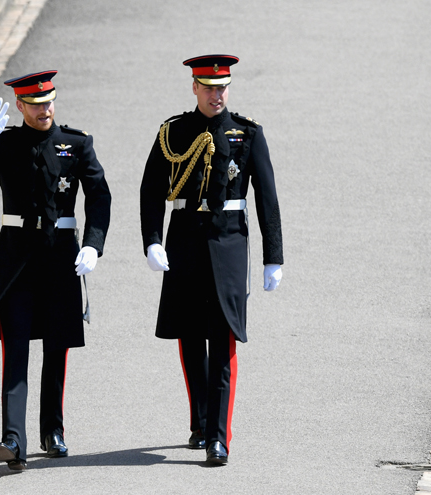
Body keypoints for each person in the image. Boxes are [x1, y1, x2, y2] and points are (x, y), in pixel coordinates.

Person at [0, 70, 111, 470]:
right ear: (21, 106)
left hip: (60, 256)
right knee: (17, 351)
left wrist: (94, 245)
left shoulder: (76, 144)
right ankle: (13, 438)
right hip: (16, 259)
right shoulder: (6, 143)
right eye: (35, 104)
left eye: (49, 102)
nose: (44, 110)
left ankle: (52, 430)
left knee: (56, 348)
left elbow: (99, 195)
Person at [140, 54, 283, 465]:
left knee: (223, 338)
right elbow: (152, 188)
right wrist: (152, 240)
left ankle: (218, 437)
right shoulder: (174, 132)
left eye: (222, 88)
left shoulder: (246, 133)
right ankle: (200, 420)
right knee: (189, 335)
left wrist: (274, 256)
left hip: (228, 243)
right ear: (194, 88)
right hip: (184, 239)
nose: (216, 94)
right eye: (208, 87)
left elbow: (266, 198)